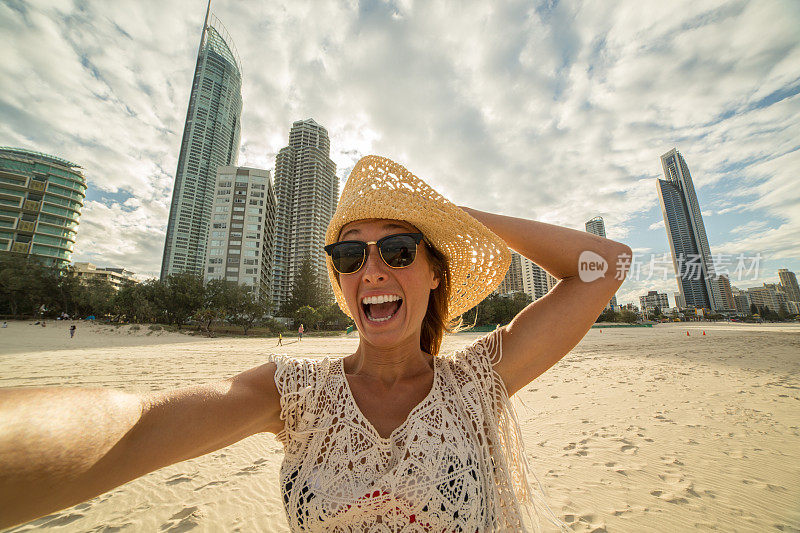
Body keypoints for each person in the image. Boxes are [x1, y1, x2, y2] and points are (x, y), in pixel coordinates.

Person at [0, 155, 630, 531]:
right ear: (340, 274)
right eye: (351, 252)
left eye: (401, 247)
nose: (373, 267)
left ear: (434, 271)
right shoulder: (295, 394)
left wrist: (450, 216)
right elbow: (135, 426)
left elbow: (605, 263)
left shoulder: (474, 382)